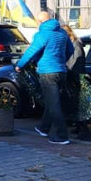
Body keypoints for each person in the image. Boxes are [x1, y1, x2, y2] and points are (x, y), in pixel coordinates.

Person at [15, 11, 74, 145]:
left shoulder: (42, 34)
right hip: (61, 72)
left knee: (54, 104)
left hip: (48, 72)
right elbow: (70, 50)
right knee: (51, 101)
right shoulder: (62, 33)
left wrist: (20, 65)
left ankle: (61, 136)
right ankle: (44, 128)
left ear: (40, 22)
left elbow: (31, 51)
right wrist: (61, 60)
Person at [63, 25, 90, 140]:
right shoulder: (71, 44)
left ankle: (83, 130)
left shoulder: (76, 44)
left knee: (80, 105)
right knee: (75, 104)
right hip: (74, 77)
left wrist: (70, 74)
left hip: (77, 78)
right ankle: (79, 127)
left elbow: (77, 62)